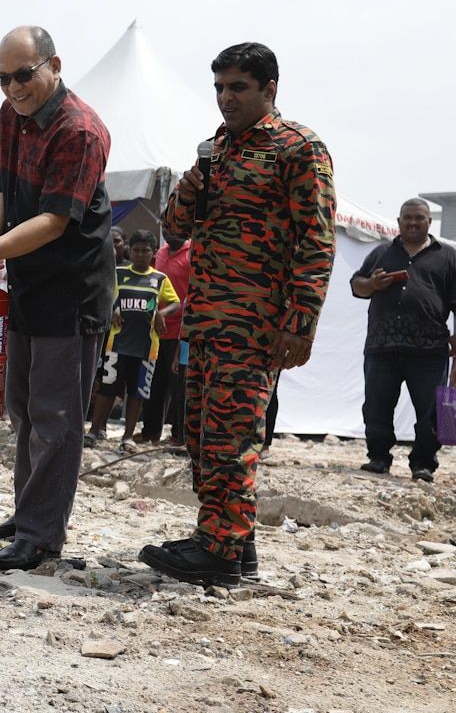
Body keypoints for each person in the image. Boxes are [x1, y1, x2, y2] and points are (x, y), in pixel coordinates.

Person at [138, 42, 336, 587]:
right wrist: (193, 182)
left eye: (238, 88)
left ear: (270, 89)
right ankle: (231, 543)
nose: (226, 98)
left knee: (231, 439)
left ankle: (219, 554)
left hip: (254, 325)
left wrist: (301, 323)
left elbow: (316, 242)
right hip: (204, 323)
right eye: (220, 88)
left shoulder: (298, 148)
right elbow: (175, 224)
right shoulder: (217, 149)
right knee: (201, 436)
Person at [0, 25, 114, 571]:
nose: (13, 88)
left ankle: (41, 537)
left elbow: (55, 220)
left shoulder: (81, 130)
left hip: (72, 287)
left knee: (56, 415)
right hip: (26, 280)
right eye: (4, 78)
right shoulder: (10, 114)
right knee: (21, 407)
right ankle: (26, 514)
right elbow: (5, 191)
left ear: (54, 65)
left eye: (24, 75)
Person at [350, 198, 456, 482]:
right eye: (407, 218)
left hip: (430, 350)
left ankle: (423, 464)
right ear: (398, 222)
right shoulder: (381, 253)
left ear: (429, 222)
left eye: (419, 218)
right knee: (376, 405)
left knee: (429, 412)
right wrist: (372, 284)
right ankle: (378, 458)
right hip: (381, 346)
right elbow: (357, 285)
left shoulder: (448, 257)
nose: (413, 223)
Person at [87, 230, 180, 448]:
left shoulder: (159, 279)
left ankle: (127, 436)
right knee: (108, 389)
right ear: (130, 250)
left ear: (153, 253)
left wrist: (161, 314)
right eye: (136, 250)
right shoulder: (118, 274)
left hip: (147, 347)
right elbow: (103, 295)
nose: (140, 255)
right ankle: (93, 430)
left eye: (145, 251)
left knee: (137, 394)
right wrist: (112, 310)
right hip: (117, 345)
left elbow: (176, 303)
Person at [139, 227, 191, 443]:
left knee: (179, 386)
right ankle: (150, 432)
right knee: (153, 382)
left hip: (181, 331)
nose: (170, 232)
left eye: (176, 228)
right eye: (166, 227)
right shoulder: (159, 253)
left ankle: (179, 434)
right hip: (157, 329)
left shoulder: (192, 253)